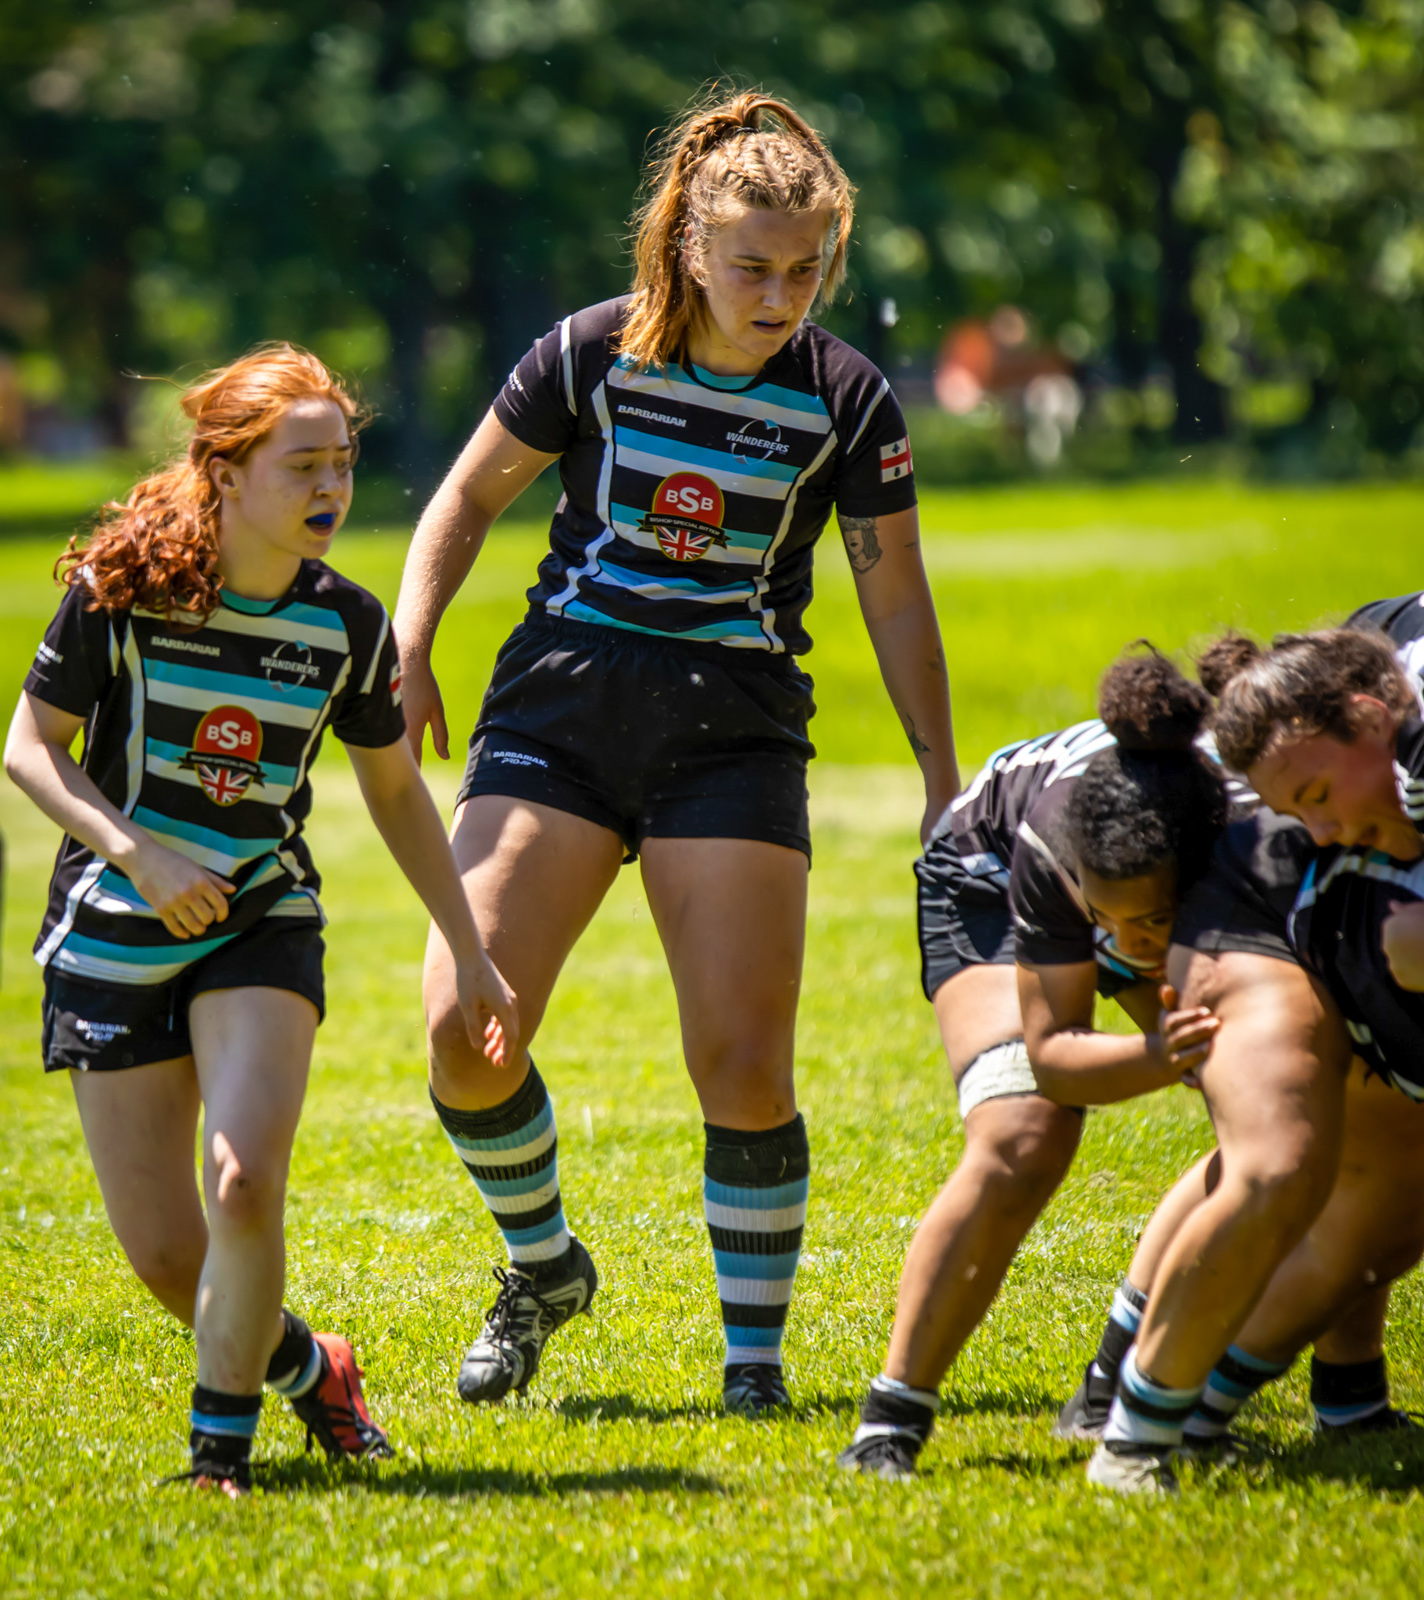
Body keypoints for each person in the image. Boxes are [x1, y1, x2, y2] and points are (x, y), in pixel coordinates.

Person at [392, 90, 958, 1417]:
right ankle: (544, 1270)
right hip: (559, 711)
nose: (779, 295)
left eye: (806, 269)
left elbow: (895, 595)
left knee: (743, 1067)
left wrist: (942, 775)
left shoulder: (846, 398)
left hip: (734, 729)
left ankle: (753, 1369)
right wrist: (411, 640)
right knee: (464, 1032)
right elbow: (464, 499)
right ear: (692, 248)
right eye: (752, 266)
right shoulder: (591, 353)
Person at [4, 346, 517, 1496]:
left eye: (341, 463)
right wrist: (139, 854)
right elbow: (28, 751)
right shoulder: (122, 592)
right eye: (302, 466)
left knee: (242, 1185)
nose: (331, 488)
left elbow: (393, 793)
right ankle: (307, 1361)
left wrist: (472, 952)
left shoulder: (346, 625)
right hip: (114, 931)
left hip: (259, 923)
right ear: (226, 474)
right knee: (170, 1256)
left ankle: (216, 1460)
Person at [837, 650, 1232, 1477]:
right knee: (1024, 1134)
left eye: (1149, 928)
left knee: (1268, 1107)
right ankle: (891, 1420)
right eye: (1112, 927)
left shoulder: (1239, 833)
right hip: (986, 881)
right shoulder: (1052, 846)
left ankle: (1119, 1386)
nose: (1126, 951)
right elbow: (1055, 1058)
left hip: (1152, 879)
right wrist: (1162, 1049)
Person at [1088, 607, 1424, 1494]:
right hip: (1256, 908)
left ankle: (1198, 1413)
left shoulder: (1388, 722)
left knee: (1395, 1207)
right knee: (1280, 1164)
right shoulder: (1307, 829)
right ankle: (1130, 1439)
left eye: (1316, 797)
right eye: (1300, 805)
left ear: (1375, 717)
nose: (1316, 822)